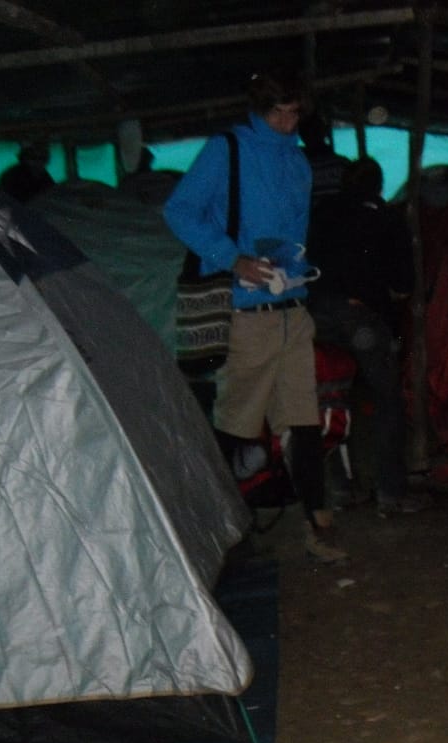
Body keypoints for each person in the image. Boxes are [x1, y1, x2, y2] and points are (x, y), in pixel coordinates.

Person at [163, 70, 345, 563]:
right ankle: (212, 530)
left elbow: (294, 231)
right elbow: (179, 211)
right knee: (237, 426)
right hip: (246, 316)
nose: (286, 123)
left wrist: (296, 271)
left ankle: (318, 523)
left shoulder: (299, 162)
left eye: (294, 114)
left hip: (291, 309)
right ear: (258, 109)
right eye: (277, 113)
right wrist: (232, 258)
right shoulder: (227, 149)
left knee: (304, 422)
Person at [307, 156, 426, 515]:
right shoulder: (387, 218)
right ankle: (390, 491)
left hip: (315, 313)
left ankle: (340, 489)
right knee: (387, 399)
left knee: (328, 397)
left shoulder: (321, 212)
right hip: (360, 319)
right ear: (379, 185)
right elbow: (403, 284)